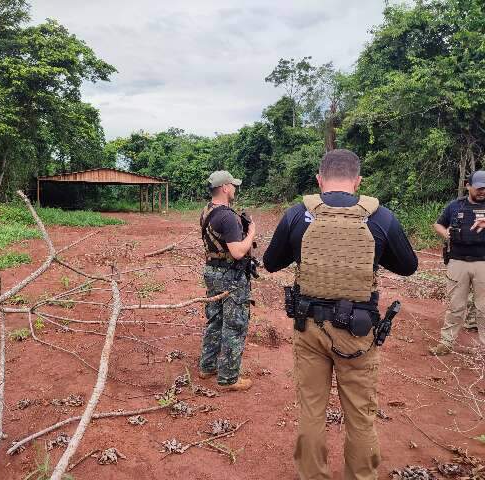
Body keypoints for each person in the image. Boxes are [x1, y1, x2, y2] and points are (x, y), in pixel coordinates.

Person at [263, 149, 417, 480]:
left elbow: (271, 262)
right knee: (360, 416)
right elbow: (408, 266)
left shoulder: (297, 215)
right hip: (358, 334)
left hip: (309, 329)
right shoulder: (380, 217)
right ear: (358, 181)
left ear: (319, 179)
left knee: (312, 412)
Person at [198, 170, 256, 391]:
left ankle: (207, 366)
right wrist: (251, 232)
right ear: (224, 188)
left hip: (211, 272)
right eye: (233, 185)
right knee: (235, 325)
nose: (235, 189)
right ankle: (229, 378)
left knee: (215, 320)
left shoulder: (206, 211)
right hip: (230, 277)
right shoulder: (228, 216)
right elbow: (238, 251)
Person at [429, 170, 485, 355]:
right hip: (458, 261)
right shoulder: (455, 206)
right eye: (478, 188)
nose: (482, 191)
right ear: (468, 186)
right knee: (455, 306)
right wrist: (446, 234)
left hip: (483, 262)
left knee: (483, 307)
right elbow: (438, 224)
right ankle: (446, 343)